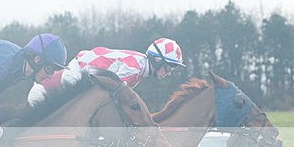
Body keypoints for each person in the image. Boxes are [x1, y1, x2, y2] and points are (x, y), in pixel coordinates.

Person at [27, 38, 186, 106]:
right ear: (157, 60)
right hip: (78, 71)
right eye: (168, 68)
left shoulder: (141, 68)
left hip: (85, 70)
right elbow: (112, 96)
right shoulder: (135, 68)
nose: (169, 73)